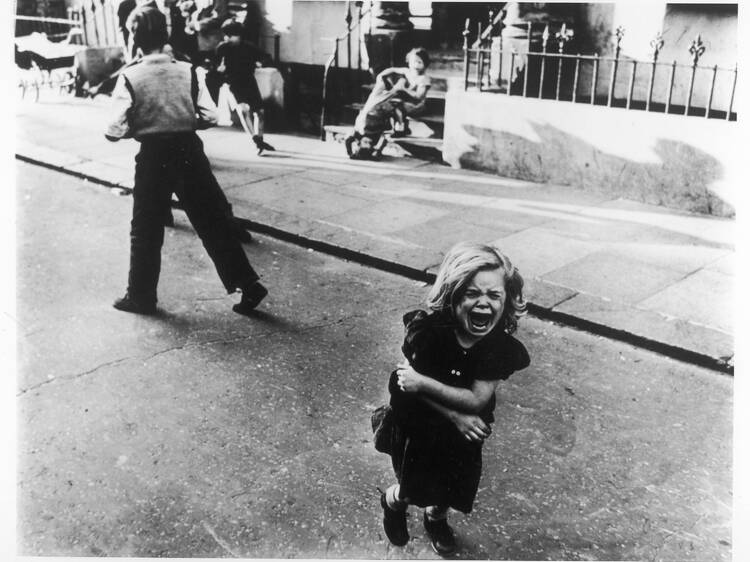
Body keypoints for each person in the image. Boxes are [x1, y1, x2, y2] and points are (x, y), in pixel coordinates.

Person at [105, 5, 267, 316]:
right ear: (164, 35)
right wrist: (182, 118)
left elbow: (114, 129)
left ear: (134, 37)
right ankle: (249, 285)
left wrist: (142, 123)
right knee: (213, 222)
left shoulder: (130, 76)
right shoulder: (190, 71)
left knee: (146, 227)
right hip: (189, 152)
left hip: (153, 156)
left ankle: (141, 296)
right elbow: (210, 116)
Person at [377, 242, 530, 554]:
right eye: (472, 293)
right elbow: (404, 387)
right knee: (413, 489)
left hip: (464, 437)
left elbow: (475, 401)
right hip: (419, 432)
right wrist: (453, 414)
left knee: (451, 489)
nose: (483, 303)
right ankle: (392, 502)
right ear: (453, 294)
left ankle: (436, 518)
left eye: (494, 295)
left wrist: (425, 386)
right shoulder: (430, 334)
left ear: (507, 299)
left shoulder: (498, 348)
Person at [216, 19, 275, 155]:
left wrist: (261, 63)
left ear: (239, 35)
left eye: (231, 35)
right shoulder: (222, 48)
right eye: (226, 35)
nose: (228, 38)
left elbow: (266, 57)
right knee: (243, 109)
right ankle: (255, 139)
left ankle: (259, 139)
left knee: (259, 112)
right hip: (233, 83)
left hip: (249, 81)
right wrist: (219, 69)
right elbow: (215, 66)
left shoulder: (249, 47)